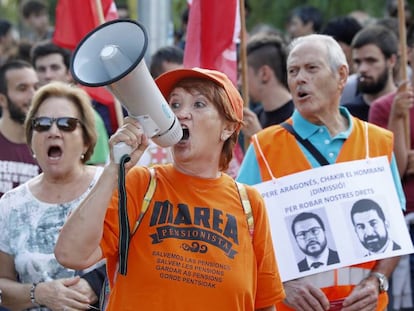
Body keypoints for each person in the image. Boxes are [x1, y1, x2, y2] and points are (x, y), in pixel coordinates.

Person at [54, 68, 285, 310]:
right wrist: (114, 169)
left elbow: (264, 302)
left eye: (198, 104)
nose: (181, 114)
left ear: (227, 128)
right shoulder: (141, 184)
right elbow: (70, 254)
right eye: (174, 105)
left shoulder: (249, 203)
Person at [237, 34, 404, 311]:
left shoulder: (377, 141)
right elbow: (240, 232)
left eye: (311, 69)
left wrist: (378, 280)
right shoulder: (264, 147)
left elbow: (394, 228)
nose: (300, 78)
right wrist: (280, 284)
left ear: (341, 76)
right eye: (293, 71)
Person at [0, 81, 105, 310]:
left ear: (86, 141)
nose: (53, 132)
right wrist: (38, 293)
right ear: (32, 140)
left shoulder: (111, 187)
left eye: (67, 124)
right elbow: (2, 287)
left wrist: (97, 284)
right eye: (42, 124)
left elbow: (140, 260)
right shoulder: (11, 204)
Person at [30, 40, 110, 165]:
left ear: (69, 73)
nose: (47, 75)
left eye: (67, 124)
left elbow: (97, 172)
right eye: (41, 69)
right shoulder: (23, 112)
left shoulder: (90, 116)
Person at [242, 31, 293, 140]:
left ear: (264, 74)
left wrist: (258, 137)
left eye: (243, 74)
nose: (239, 82)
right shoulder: (255, 117)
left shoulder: (300, 117)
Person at [0, 59, 41, 197]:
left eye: (36, 87)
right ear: (2, 100)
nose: (33, 95)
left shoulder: (50, 143)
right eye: (22, 89)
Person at [342, 25, 399, 120]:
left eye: (371, 61)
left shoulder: (407, 108)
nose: (362, 69)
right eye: (357, 62)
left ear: (391, 61)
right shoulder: (348, 115)